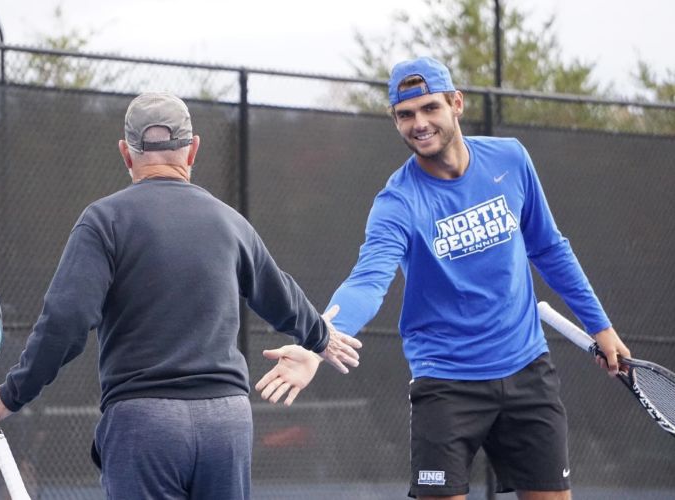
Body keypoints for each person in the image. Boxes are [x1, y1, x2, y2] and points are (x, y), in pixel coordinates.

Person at [256, 57, 631, 500]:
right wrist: (317, 342)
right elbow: (367, 281)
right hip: (446, 383)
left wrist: (601, 327)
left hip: (528, 369)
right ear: (395, 120)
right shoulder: (396, 202)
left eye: (430, 108)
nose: (419, 123)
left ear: (456, 103)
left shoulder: (510, 158)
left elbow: (549, 247)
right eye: (406, 114)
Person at [0, 92, 362, 500]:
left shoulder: (103, 221)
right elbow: (281, 296)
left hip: (145, 423)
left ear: (125, 152)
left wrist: (12, 394)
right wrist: (322, 337)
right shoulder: (231, 223)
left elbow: (66, 319)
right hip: (227, 421)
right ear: (193, 149)